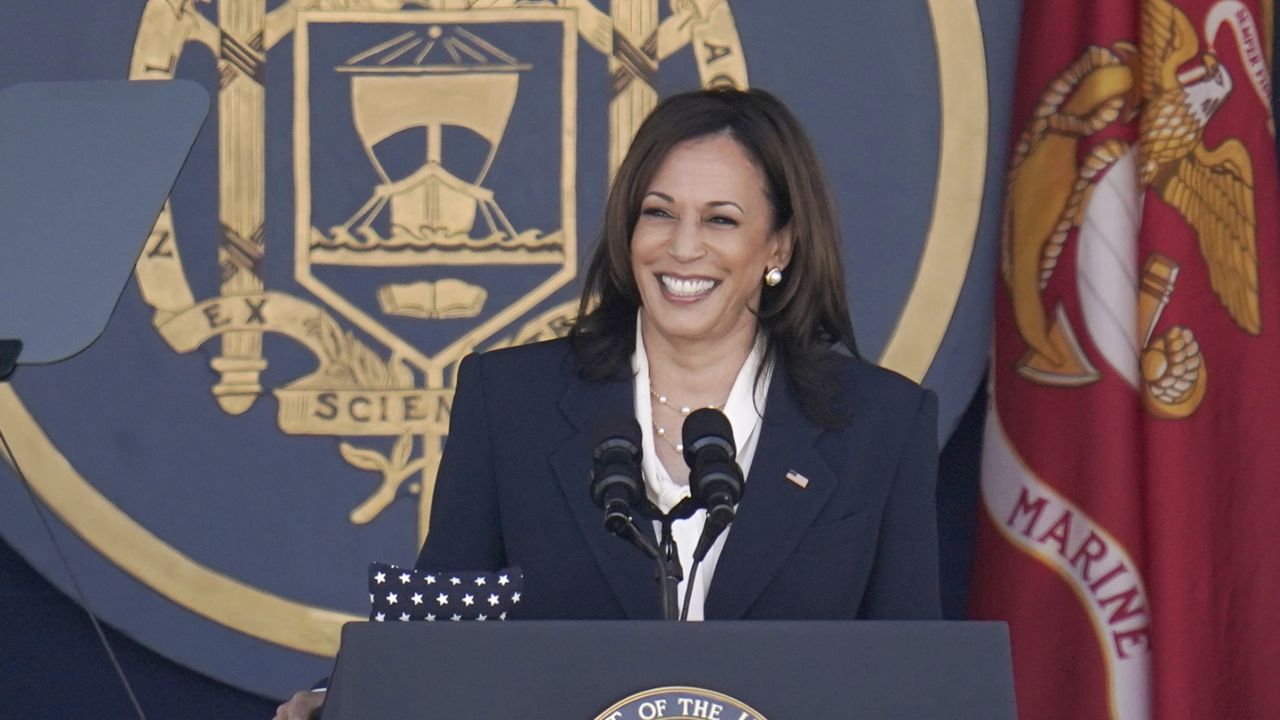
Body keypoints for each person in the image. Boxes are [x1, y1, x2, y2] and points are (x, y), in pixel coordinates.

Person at [274, 86, 939, 720]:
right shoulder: (512, 403)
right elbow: (439, 635)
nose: (682, 247)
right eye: (658, 212)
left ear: (779, 246)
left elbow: (913, 679)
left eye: (721, 220)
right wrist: (340, 700)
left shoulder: (877, 423)